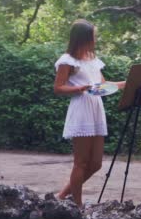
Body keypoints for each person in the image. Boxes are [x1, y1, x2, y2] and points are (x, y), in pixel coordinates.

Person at [53, 19, 125, 207]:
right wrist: (79, 88)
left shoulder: (93, 60)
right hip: (81, 109)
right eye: (92, 36)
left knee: (96, 164)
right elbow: (58, 88)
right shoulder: (67, 61)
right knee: (81, 162)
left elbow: (102, 85)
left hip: (95, 109)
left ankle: (61, 196)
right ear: (82, 38)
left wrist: (126, 83)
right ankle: (77, 206)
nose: (95, 39)